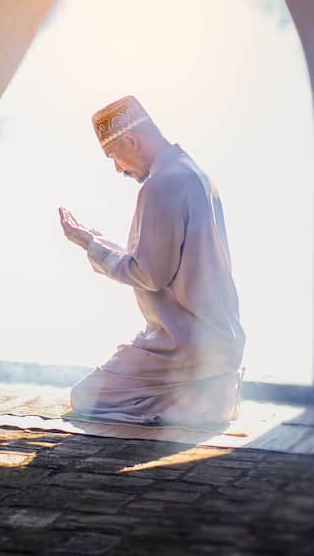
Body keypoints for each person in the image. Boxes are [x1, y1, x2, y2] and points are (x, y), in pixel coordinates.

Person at [58, 95, 245, 425]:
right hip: (222, 343)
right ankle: (212, 391)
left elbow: (148, 274)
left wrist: (89, 244)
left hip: (185, 347)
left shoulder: (160, 186)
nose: (117, 168)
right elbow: (155, 264)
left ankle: (199, 401)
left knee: (85, 397)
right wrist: (98, 242)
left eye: (113, 156)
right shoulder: (194, 174)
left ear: (131, 140)